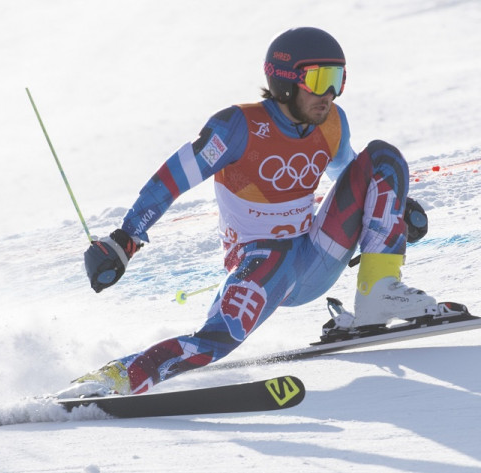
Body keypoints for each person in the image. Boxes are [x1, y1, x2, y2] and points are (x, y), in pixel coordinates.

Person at [61, 27, 437, 397]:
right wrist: (126, 238)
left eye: (337, 79)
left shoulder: (333, 122)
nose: (329, 93)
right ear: (286, 82)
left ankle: (378, 294)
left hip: (317, 254)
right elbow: (174, 178)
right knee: (219, 338)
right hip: (261, 261)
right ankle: (118, 377)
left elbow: (351, 171)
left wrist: (393, 206)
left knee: (383, 157)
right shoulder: (239, 126)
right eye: (319, 79)